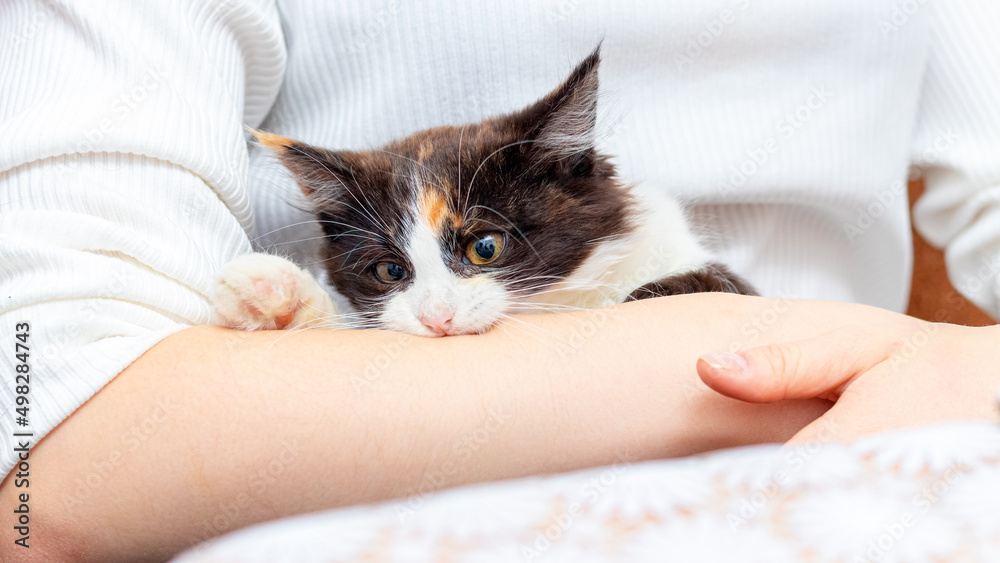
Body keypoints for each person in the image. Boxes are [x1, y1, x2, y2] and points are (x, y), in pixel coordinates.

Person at [1, 1, 998, 561]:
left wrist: (966, 368)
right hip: (383, 478)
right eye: (393, 267)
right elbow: (44, 470)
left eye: (472, 250)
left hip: (892, 441)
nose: (437, 301)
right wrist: (858, 360)